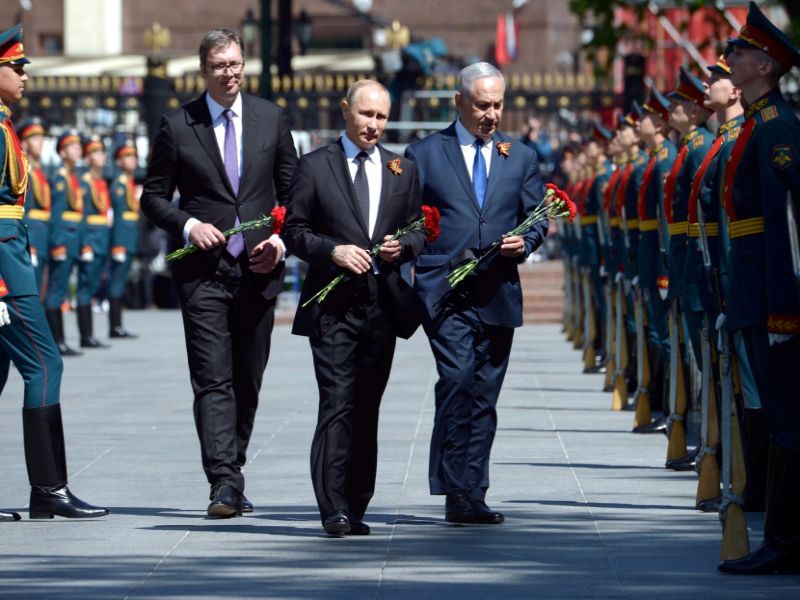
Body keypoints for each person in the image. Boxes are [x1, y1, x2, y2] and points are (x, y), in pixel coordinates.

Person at [141, 28, 297, 518]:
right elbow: (152, 196)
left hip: (258, 268)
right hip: (203, 273)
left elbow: (294, 193)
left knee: (247, 376)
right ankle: (223, 482)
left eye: (235, 64)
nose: (229, 74)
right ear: (203, 71)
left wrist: (280, 239)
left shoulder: (271, 119)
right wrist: (188, 225)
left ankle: (236, 463)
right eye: (218, 67)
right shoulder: (177, 124)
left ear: (243, 64)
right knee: (212, 379)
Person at [283, 80, 426, 536]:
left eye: (382, 117)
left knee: (367, 405)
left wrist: (401, 247)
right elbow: (295, 231)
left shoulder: (402, 167)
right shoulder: (315, 166)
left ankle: (358, 501)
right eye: (366, 115)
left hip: (380, 307)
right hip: (332, 308)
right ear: (346, 111)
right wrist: (333, 251)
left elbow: (420, 229)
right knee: (338, 401)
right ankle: (333, 506)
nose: (374, 125)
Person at [405, 62, 547, 524]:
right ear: (459, 103)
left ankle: (473, 489)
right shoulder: (424, 153)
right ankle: (453, 486)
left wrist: (524, 242)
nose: (491, 114)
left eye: (498, 105)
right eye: (482, 105)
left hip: (498, 290)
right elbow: (408, 220)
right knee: (459, 378)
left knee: (485, 393)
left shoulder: (520, 157)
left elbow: (538, 216)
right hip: (444, 291)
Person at [0, 23, 108, 522]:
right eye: (16, 67)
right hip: (4, 266)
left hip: (12, 254)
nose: (25, 75)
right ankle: (48, 489)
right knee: (46, 365)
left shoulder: (5, 126)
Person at [716, 1, 800, 575]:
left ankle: (786, 541)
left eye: (741, 52)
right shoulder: (756, 121)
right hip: (750, 288)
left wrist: (784, 312)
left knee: (788, 421)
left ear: (765, 66)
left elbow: (787, 229)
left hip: (774, 299)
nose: (731, 58)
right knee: (776, 417)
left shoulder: (777, 129)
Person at [44, 129, 84, 357]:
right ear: (62, 151)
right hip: (64, 239)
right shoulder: (60, 177)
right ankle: (56, 341)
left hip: (72, 238)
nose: (77, 150)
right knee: (56, 291)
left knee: (61, 291)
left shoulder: (71, 175)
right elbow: (57, 213)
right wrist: (58, 243)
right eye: (72, 146)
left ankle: (59, 341)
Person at [76, 135, 111, 349]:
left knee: (92, 286)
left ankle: (89, 334)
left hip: (101, 239)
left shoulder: (100, 181)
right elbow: (82, 215)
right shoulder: (85, 182)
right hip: (91, 239)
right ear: (88, 158)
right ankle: (85, 335)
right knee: (85, 288)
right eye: (96, 153)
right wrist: (85, 243)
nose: (101, 156)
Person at [108, 139, 140, 338]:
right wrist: (118, 244)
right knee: (117, 283)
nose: (132, 160)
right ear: (119, 161)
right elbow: (119, 216)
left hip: (129, 237)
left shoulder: (129, 181)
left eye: (133, 156)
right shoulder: (120, 184)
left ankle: (118, 324)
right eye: (127, 156)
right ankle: (115, 326)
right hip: (122, 239)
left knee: (120, 281)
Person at [17, 117, 50, 291]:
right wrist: (31, 245)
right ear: (24, 143)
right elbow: (22, 211)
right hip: (32, 239)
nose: (41, 142)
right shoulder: (25, 171)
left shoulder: (40, 171)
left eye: (42, 138)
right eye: (35, 138)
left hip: (43, 235)